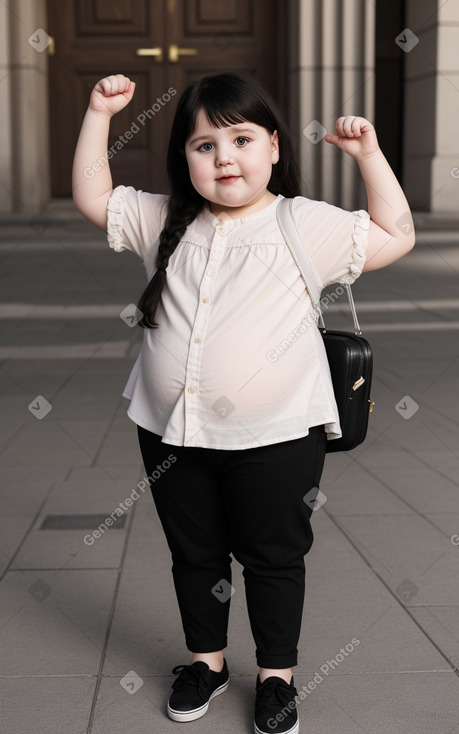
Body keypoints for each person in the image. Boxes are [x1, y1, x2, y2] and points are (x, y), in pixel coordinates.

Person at [72, 72, 415, 734]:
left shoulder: (300, 222)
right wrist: (98, 113)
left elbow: (394, 234)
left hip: (279, 436)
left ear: (274, 148)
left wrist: (369, 155)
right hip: (173, 432)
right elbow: (93, 193)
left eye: (241, 138)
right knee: (193, 552)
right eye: (204, 145)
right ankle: (206, 662)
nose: (224, 157)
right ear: (185, 159)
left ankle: (276, 677)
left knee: (272, 555)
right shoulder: (161, 218)